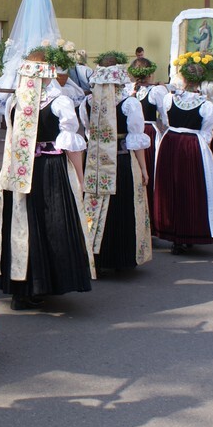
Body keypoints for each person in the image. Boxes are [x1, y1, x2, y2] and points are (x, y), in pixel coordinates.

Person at [0, 48, 91, 310]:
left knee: (23, 225)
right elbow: (71, 146)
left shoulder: (15, 102)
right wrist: (79, 179)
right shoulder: (59, 102)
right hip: (50, 169)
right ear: (48, 74)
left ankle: (22, 287)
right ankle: (43, 283)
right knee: (50, 225)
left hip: (20, 172)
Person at [79, 52, 151, 272]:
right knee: (122, 207)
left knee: (96, 207)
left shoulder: (88, 101)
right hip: (121, 162)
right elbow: (135, 139)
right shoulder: (129, 102)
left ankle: (96, 256)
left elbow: (86, 131)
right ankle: (122, 257)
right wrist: (144, 169)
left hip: (94, 163)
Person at [152, 57, 213, 254]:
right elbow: (206, 132)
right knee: (192, 187)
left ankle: (174, 233)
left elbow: (166, 120)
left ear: (183, 78)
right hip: (193, 144)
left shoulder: (170, 98)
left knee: (171, 186)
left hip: (171, 141)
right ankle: (189, 231)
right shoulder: (206, 105)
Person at [128, 56, 166, 207]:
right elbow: (165, 117)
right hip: (148, 132)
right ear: (150, 74)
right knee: (150, 167)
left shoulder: (129, 89)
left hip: (131, 134)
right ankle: (150, 205)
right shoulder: (156, 91)